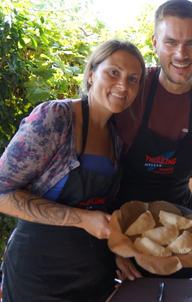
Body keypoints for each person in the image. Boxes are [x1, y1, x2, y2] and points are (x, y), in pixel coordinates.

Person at [0, 39, 145, 302]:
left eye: (133, 79)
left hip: (93, 274)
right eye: (114, 72)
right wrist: (81, 219)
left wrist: (116, 251)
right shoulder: (57, 117)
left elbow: (99, 208)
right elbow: (2, 194)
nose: (124, 85)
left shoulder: (116, 138)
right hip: (37, 275)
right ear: (91, 74)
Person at [113, 0, 192, 280]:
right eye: (171, 42)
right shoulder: (131, 91)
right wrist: (113, 240)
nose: (181, 53)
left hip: (181, 224)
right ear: (154, 42)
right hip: (119, 224)